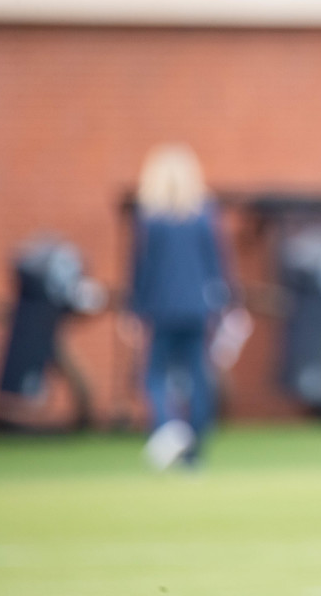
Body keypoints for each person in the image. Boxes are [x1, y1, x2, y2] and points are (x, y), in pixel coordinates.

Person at [127, 143, 231, 470]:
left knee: (154, 375)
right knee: (198, 377)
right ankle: (193, 455)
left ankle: (167, 426)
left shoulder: (150, 218)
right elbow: (217, 263)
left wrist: (134, 308)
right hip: (199, 308)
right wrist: (227, 304)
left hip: (161, 308)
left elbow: (142, 268)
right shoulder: (204, 214)